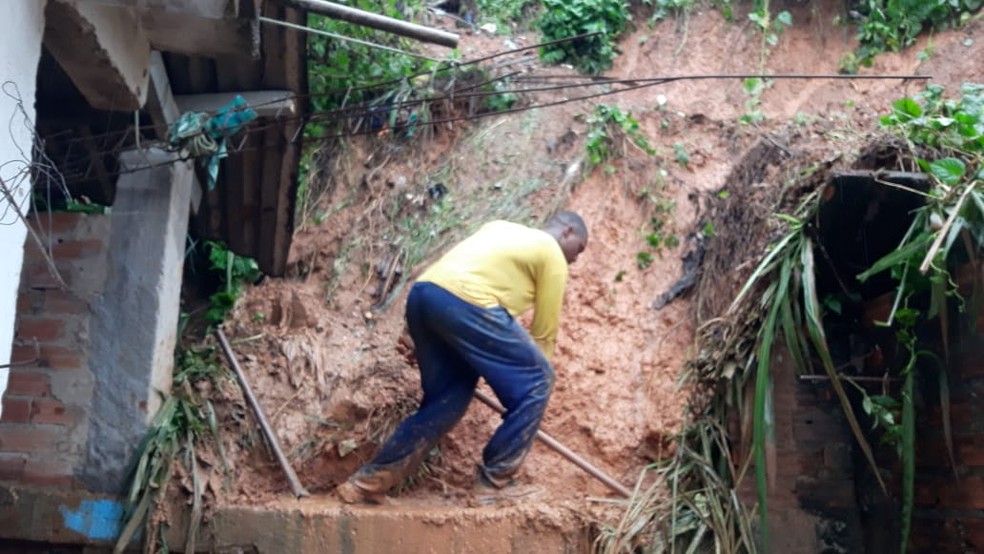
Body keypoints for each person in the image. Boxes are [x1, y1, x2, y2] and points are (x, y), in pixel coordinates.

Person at [336, 211, 589, 504]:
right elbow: (544, 334)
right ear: (567, 232)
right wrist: (532, 386)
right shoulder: (552, 253)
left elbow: (449, 271)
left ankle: (367, 482)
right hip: (467, 302)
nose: (576, 259)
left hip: (423, 296)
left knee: (448, 402)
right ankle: (493, 484)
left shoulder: (500, 227)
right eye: (579, 249)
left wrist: (413, 332)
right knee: (538, 381)